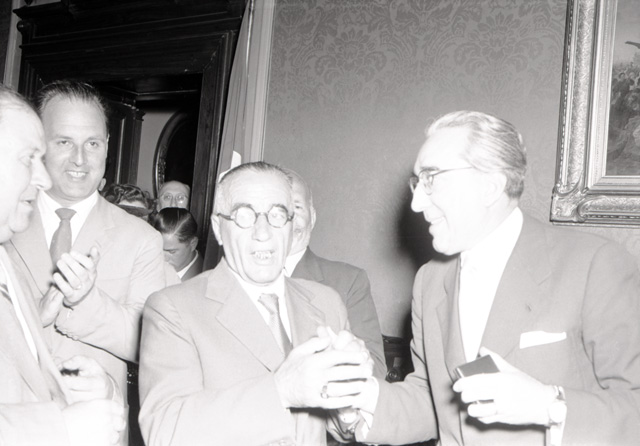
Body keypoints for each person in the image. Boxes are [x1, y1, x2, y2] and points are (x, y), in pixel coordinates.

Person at [349, 111, 640, 446]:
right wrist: (362, 397)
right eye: (417, 182)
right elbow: (435, 399)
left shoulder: (594, 264)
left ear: (490, 186)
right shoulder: (430, 281)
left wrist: (548, 405)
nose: (416, 203)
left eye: (431, 178)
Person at [139, 161, 373, 445]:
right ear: (218, 228)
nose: (263, 233)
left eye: (277, 214)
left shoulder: (326, 303)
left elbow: (339, 427)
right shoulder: (172, 308)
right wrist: (281, 390)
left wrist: (348, 405)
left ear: (291, 224)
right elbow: (164, 432)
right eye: (244, 215)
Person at [5, 80, 168, 433]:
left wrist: (84, 302)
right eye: (64, 142)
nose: (80, 159)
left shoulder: (141, 238)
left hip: (98, 427)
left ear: (107, 145)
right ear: (39, 144)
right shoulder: (7, 224)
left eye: (92, 143)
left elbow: (151, 344)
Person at [0, 84, 125, 446]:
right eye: (28, 159)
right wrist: (60, 429)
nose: (42, 178)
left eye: (93, 143)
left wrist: (106, 392)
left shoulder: (5, 260)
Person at [284, 168, 387, 379]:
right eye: (278, 209)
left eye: (297, 207)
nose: (289, 218)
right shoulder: (239, 279)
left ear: (312, 217)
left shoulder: (349, 281)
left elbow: (375, 368)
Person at [150, 207, 203, 281]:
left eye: (171, 252)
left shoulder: (205, 282)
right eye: (159, 248)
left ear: (193, 244)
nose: (163, 258)